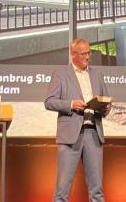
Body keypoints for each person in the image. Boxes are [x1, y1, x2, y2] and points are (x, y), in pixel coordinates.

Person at [44, 38, 111, 202]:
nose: (87, 57)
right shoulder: (60, 74)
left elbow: (106, 100)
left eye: (89, 53)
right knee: (62, 191)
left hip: (93, 133)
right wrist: (71, 104)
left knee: (97, 191)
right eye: (83, 54)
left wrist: (104, 107)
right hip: (70, 136)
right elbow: (49, 102)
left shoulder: (97, 74)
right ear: (73, 55)